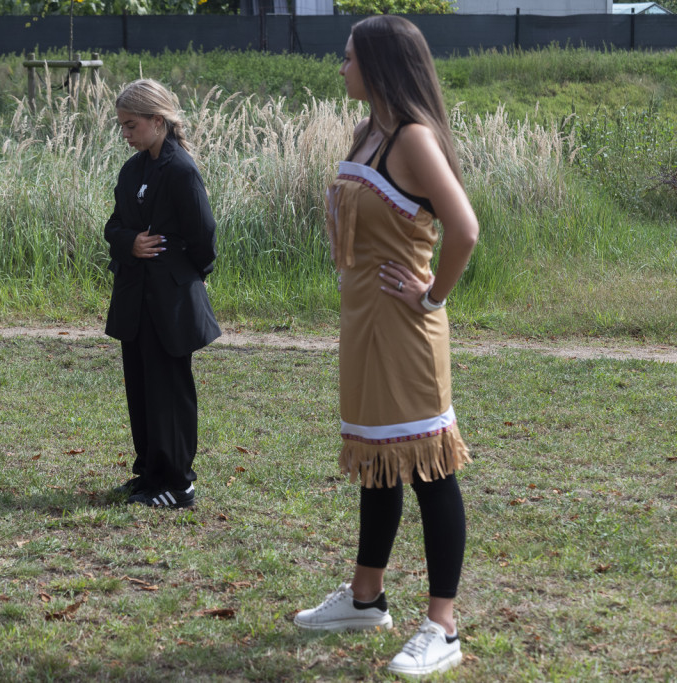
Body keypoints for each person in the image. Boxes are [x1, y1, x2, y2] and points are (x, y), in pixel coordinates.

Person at [294, 16, 480, 678]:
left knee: (430, 467)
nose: (339, 66)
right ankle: (367, 597)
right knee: (377, 460)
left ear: (377, 65)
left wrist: (433, 296)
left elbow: (464, 227)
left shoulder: (412, 138)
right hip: (364, 323)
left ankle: (443, 626)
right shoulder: (369, 132)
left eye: (348, 57)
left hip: (406, 330)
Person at [104, 79, 221, 509]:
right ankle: (149, 475)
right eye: (122, 126)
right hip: (136, 297)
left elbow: (204, 237)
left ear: (158, 121)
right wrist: (130, 241)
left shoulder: (181, 169)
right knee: (141, 387)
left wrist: (185, 276)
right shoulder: (133, 169)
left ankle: (178, 483)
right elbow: (112, 226)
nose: (126, 134)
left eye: (132, 125)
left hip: (170, 301)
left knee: (169, 390)